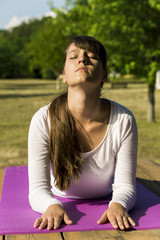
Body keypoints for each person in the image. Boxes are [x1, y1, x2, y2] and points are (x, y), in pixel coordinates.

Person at [28, 35, 138, 231]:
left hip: (105, 198)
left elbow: (125, 187)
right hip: (60, 199)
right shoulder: (43, 119)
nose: (82, 59)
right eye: (74, 56)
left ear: (104, 74)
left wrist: (118, 204)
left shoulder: (124, 120)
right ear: (64, 74)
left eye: (92, 56)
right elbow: (37, 190)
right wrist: (50, 205)